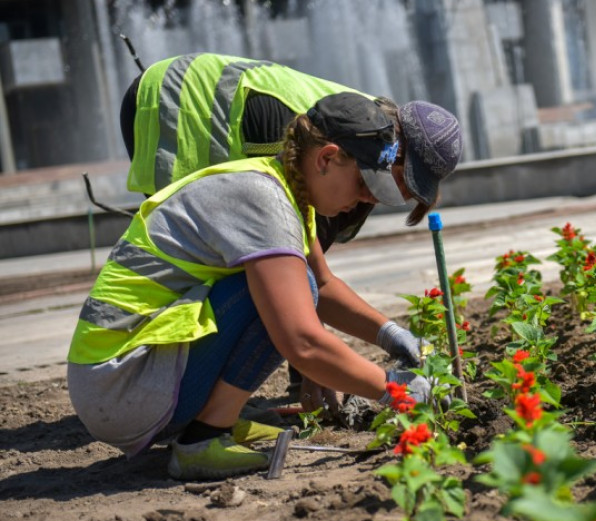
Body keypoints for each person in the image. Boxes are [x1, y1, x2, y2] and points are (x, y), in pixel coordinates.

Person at [68, 92, 433, 480]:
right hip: (121, 385)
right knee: (288, 296)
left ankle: (211, 418)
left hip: (118, 378)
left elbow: (325, 287)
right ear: (326, 159)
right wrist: (393, 389)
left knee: (299, 286)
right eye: (363, 182)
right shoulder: (264, 201)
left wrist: (390, 335)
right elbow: (302, 341)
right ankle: (204, 438)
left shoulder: (285, 188)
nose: (365, 199)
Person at [119, 52, 464, 411]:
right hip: (176, 102)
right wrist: (321, 369)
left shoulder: (352, 141)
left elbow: (317, 279)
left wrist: (391, 336)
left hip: (208, 101)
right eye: (403, 183)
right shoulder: (321, 140)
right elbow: (293, 279)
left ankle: (202, 404)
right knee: (228, 275)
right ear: (393, 153)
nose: (391, 198)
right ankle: (182, 404)